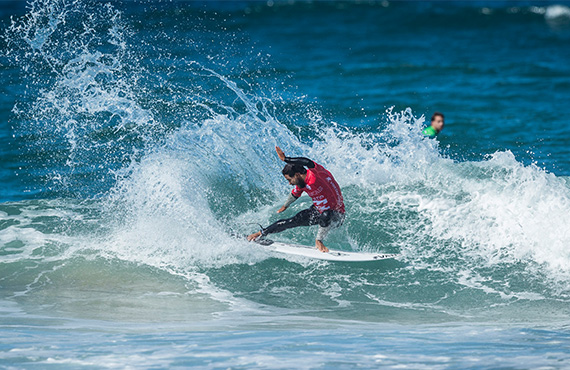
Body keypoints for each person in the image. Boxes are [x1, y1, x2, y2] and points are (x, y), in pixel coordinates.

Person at [247, 146, 345, 253]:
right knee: (291, 221)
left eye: (290, 179)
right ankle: (261, 233)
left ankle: (319, 241)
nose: (289, 183)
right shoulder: (301, 183)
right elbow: (294, 195)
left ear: (297, 174)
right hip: (318, 210)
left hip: (337, 215)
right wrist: (285, 206)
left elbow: (307, 161)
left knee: (326, 214)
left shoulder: (317, 174)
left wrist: (286, 159)